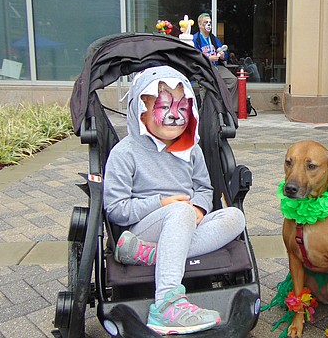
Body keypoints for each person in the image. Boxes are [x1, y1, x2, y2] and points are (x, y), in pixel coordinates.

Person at [103, 66, 246, 335]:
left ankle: (149, 256)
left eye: (182, 107)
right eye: (164, 106)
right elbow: (116, 210)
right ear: (140, 111)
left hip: (182, 223)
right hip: (145, 226)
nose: (174, 115)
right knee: (180, 210)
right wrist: (162, 203)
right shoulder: (125, 153)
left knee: (235, 217)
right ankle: (167, 304)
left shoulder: (191, 149)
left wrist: (200, 208)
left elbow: (204, 188)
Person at [193, 12, 239, 112]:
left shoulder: (213, 38)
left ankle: (230, 109)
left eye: (210, 22)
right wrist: (208, 58)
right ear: (200, 24)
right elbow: (195, 57)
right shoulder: (195, 39)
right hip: (204, 68)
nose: (208, 24)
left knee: (233, 80)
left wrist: (222, 55)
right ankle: (209, 111)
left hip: (217, 67)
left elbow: (223, 53)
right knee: (209, 86)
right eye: (206, 22)